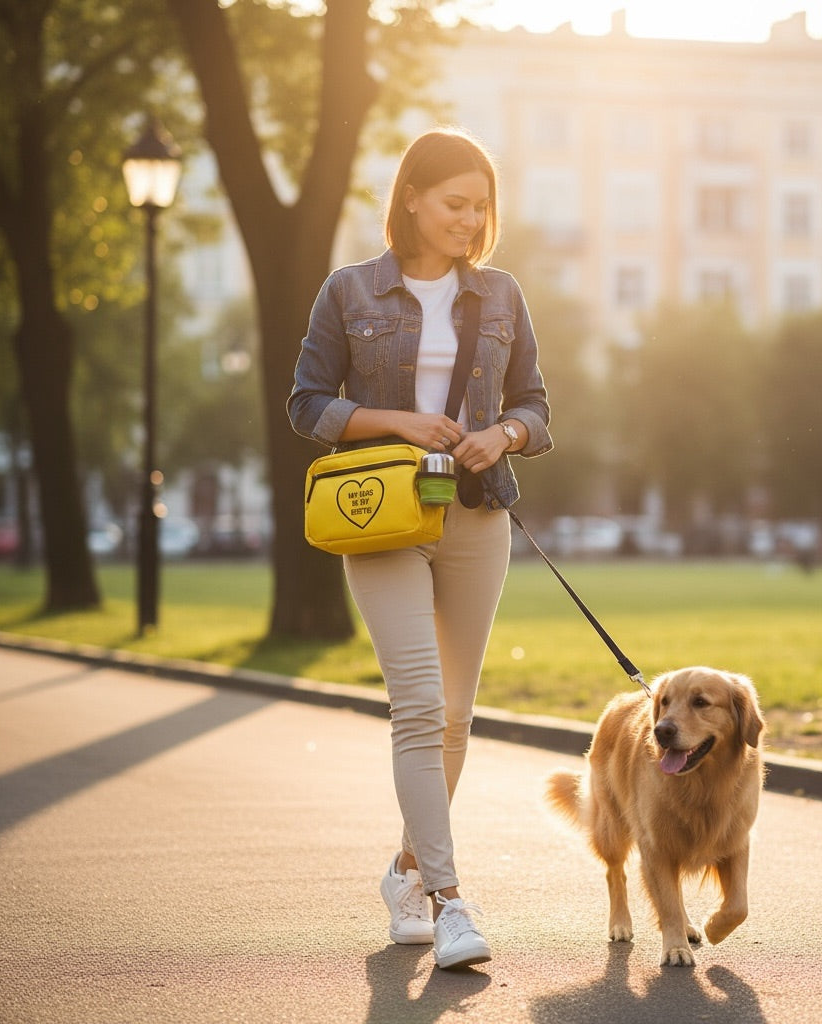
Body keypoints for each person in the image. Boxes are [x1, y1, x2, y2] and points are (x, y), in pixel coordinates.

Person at [289, 127, 552, 969]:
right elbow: (306, 405)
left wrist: (503, 434)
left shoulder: (503, 295)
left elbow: (539, 408)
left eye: (481, 207)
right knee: (417, 704)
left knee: (455, 717)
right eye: (454, 204)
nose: (470, 221)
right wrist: (395, 421)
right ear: (411, 197)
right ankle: (447, 901)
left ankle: (405, 870)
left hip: (475, 516)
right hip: (384, 518)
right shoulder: (350, 291)